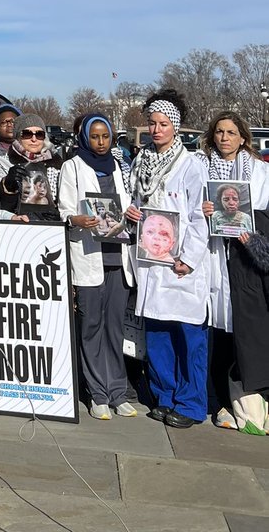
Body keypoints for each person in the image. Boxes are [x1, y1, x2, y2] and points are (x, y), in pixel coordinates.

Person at [126, 89, 209, 429]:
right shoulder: (139, 162)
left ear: (175, 127)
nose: (157, 130)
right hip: (150, 261)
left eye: (163, 124)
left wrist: (189, 258)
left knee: (189, 339)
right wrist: (129, 212)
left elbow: (200, 215)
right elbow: (130, 201)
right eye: (152, 123)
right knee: (157, 335)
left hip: (179, 265)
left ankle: (190, 404)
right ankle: (164, 395)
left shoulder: (191, 165)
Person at [58, 114, 136, 419]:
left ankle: (118, 389)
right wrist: (75, 219)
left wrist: (131, 213)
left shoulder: (119, 166)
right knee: (91, 326)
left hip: (118, 256)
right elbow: (64, 208)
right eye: (95, 136)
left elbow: (129, 202)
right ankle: (97, 392)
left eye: (106, 136)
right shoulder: (72, 166)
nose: (101, 142)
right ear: (85, 137)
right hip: (90, 253)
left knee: (115, 328)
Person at [198, 111, 269, 427]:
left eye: (231, 132)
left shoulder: (259, 171)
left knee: (244, 329)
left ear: (243, 137)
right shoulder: (199, 167)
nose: (224, 137)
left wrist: (253, 232)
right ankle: (218, 401)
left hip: (245, 260)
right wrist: (202, 208)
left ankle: (245, 396)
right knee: (216, 327)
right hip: (212, 255)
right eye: (219, 132)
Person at [0, 113, 61, 223]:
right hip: (15, 230)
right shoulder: (2, 163)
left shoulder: (55, 165)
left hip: (50, 231)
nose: (34, 139)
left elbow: (67, 205)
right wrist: (7, 188)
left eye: (39, 134)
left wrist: (58, 215)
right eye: (27, 134)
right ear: (17, 137)